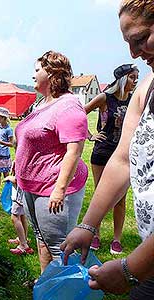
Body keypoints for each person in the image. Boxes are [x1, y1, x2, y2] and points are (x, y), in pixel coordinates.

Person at [61, 1, 154, 297]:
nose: (134, 54)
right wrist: (88, 225)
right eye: (129, 43)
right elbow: (124, 160)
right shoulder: (149, 86)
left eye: (140, 39)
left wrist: (131, 269)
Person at [14, 50, 88, 273]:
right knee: (41, 238)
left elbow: (74, 151)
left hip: (52, 188)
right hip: (31, 186)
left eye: (37, 70)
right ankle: (47, 285)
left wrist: (59, 190)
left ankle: (70, 291)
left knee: (60, 246)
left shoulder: (68, 105)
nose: (33, 75)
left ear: (52, 72)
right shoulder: (42, 104)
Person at [85, 64, 139, 254]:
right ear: (123, 79)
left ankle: (116, 239)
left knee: (120, 198)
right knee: (99, 195)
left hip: (123, 155)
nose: (135, 81)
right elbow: (79, 115)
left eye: (136, 78)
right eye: (133, 77)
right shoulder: (104, 98)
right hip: (102, 152)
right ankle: (95, 235)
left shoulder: (134, 101)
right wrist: (90, 135)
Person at [4, 174, 34, 256]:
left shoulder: (23, 161)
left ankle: (23, 245)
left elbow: (18, 180)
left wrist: (9, 178)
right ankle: (22, 238)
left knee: (15, 217)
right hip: (24, 193)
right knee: (22, 216)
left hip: (19, 195)